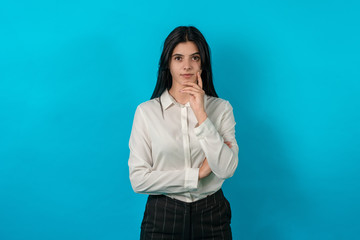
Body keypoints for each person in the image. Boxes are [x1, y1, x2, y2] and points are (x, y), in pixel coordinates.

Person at [128, 26, 239, 240]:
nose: (186, 66)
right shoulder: (146, 112)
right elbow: (139, 180)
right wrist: (197, 175)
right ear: (167, 64)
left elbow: (226, 169)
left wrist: (201, 113)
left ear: (203, 63)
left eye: (194, 58)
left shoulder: (222, 108)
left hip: (212, 213)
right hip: (163, 214)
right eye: (178, 58)